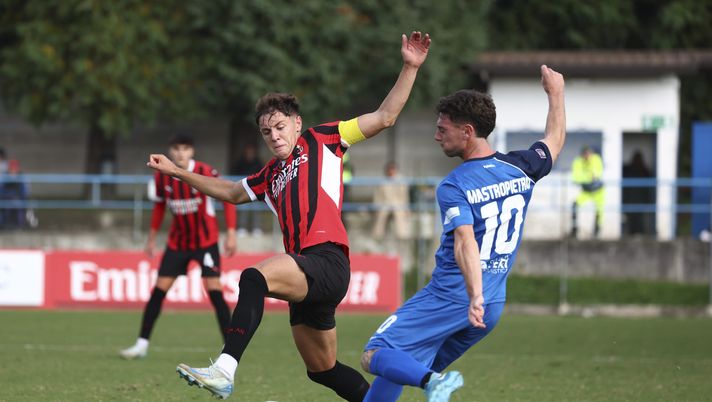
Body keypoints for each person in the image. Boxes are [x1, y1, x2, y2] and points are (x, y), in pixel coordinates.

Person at [147, 31, 431, 401]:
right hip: (306, 273)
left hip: (326, 259)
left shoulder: (325, 138)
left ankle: (225, 369)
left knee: (253, 278)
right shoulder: (268, 175)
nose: (274, 136)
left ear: (297, 124)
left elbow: (385, 116)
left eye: (280, 126)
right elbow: (232, 192)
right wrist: (178, 172)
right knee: (322, 370)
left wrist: (410, 67)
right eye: (267, 131)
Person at [360, 65, 566, 402]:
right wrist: (555, 93)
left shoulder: (455, 185)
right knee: (401, 364)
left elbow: (465, 242)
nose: (437, 135)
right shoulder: (522, 167)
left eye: (443, 129)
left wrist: (473, 296)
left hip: (455, 296)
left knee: (376, 354)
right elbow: (554, 143)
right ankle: (430, 379)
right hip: (493, 303)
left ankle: (435, 383)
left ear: (467, 132)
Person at [120, 134, 237, 359]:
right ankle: (141, 344)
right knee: (158, 291)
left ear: (192, 151)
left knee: (215, 292)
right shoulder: (162, 177)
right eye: (176, 148)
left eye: (185, 149)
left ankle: (230, 349)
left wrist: (231, 233)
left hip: (206, 241)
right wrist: (152, 237)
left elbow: (229, 197)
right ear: (171, 151)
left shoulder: (205, 171)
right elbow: (159, 208)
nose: (180, 153)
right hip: (178, 242)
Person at [230, 142, 264, 236]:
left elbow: (262, 175)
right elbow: (235, 175)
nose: (250, 153)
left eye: (251, 152)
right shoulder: (240, 162)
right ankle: (242, 228)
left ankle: (256, 228)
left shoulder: (258, 162)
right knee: (243, 208)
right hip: (243, 189)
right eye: (248, 151)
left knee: (257, 209)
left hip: (256, 190)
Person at [570, 145, 604, 238]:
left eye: (589, 154)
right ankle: (574, 228)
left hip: (598, 190)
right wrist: (588, 177)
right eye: (585, 154)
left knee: (599, 210)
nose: (587, 156)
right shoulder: (578, 161)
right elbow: (576, 177)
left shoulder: (596, 159)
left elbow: (597, 174)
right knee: (574, 205)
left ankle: (597, 231)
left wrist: (586, 177)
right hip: (586, 190)